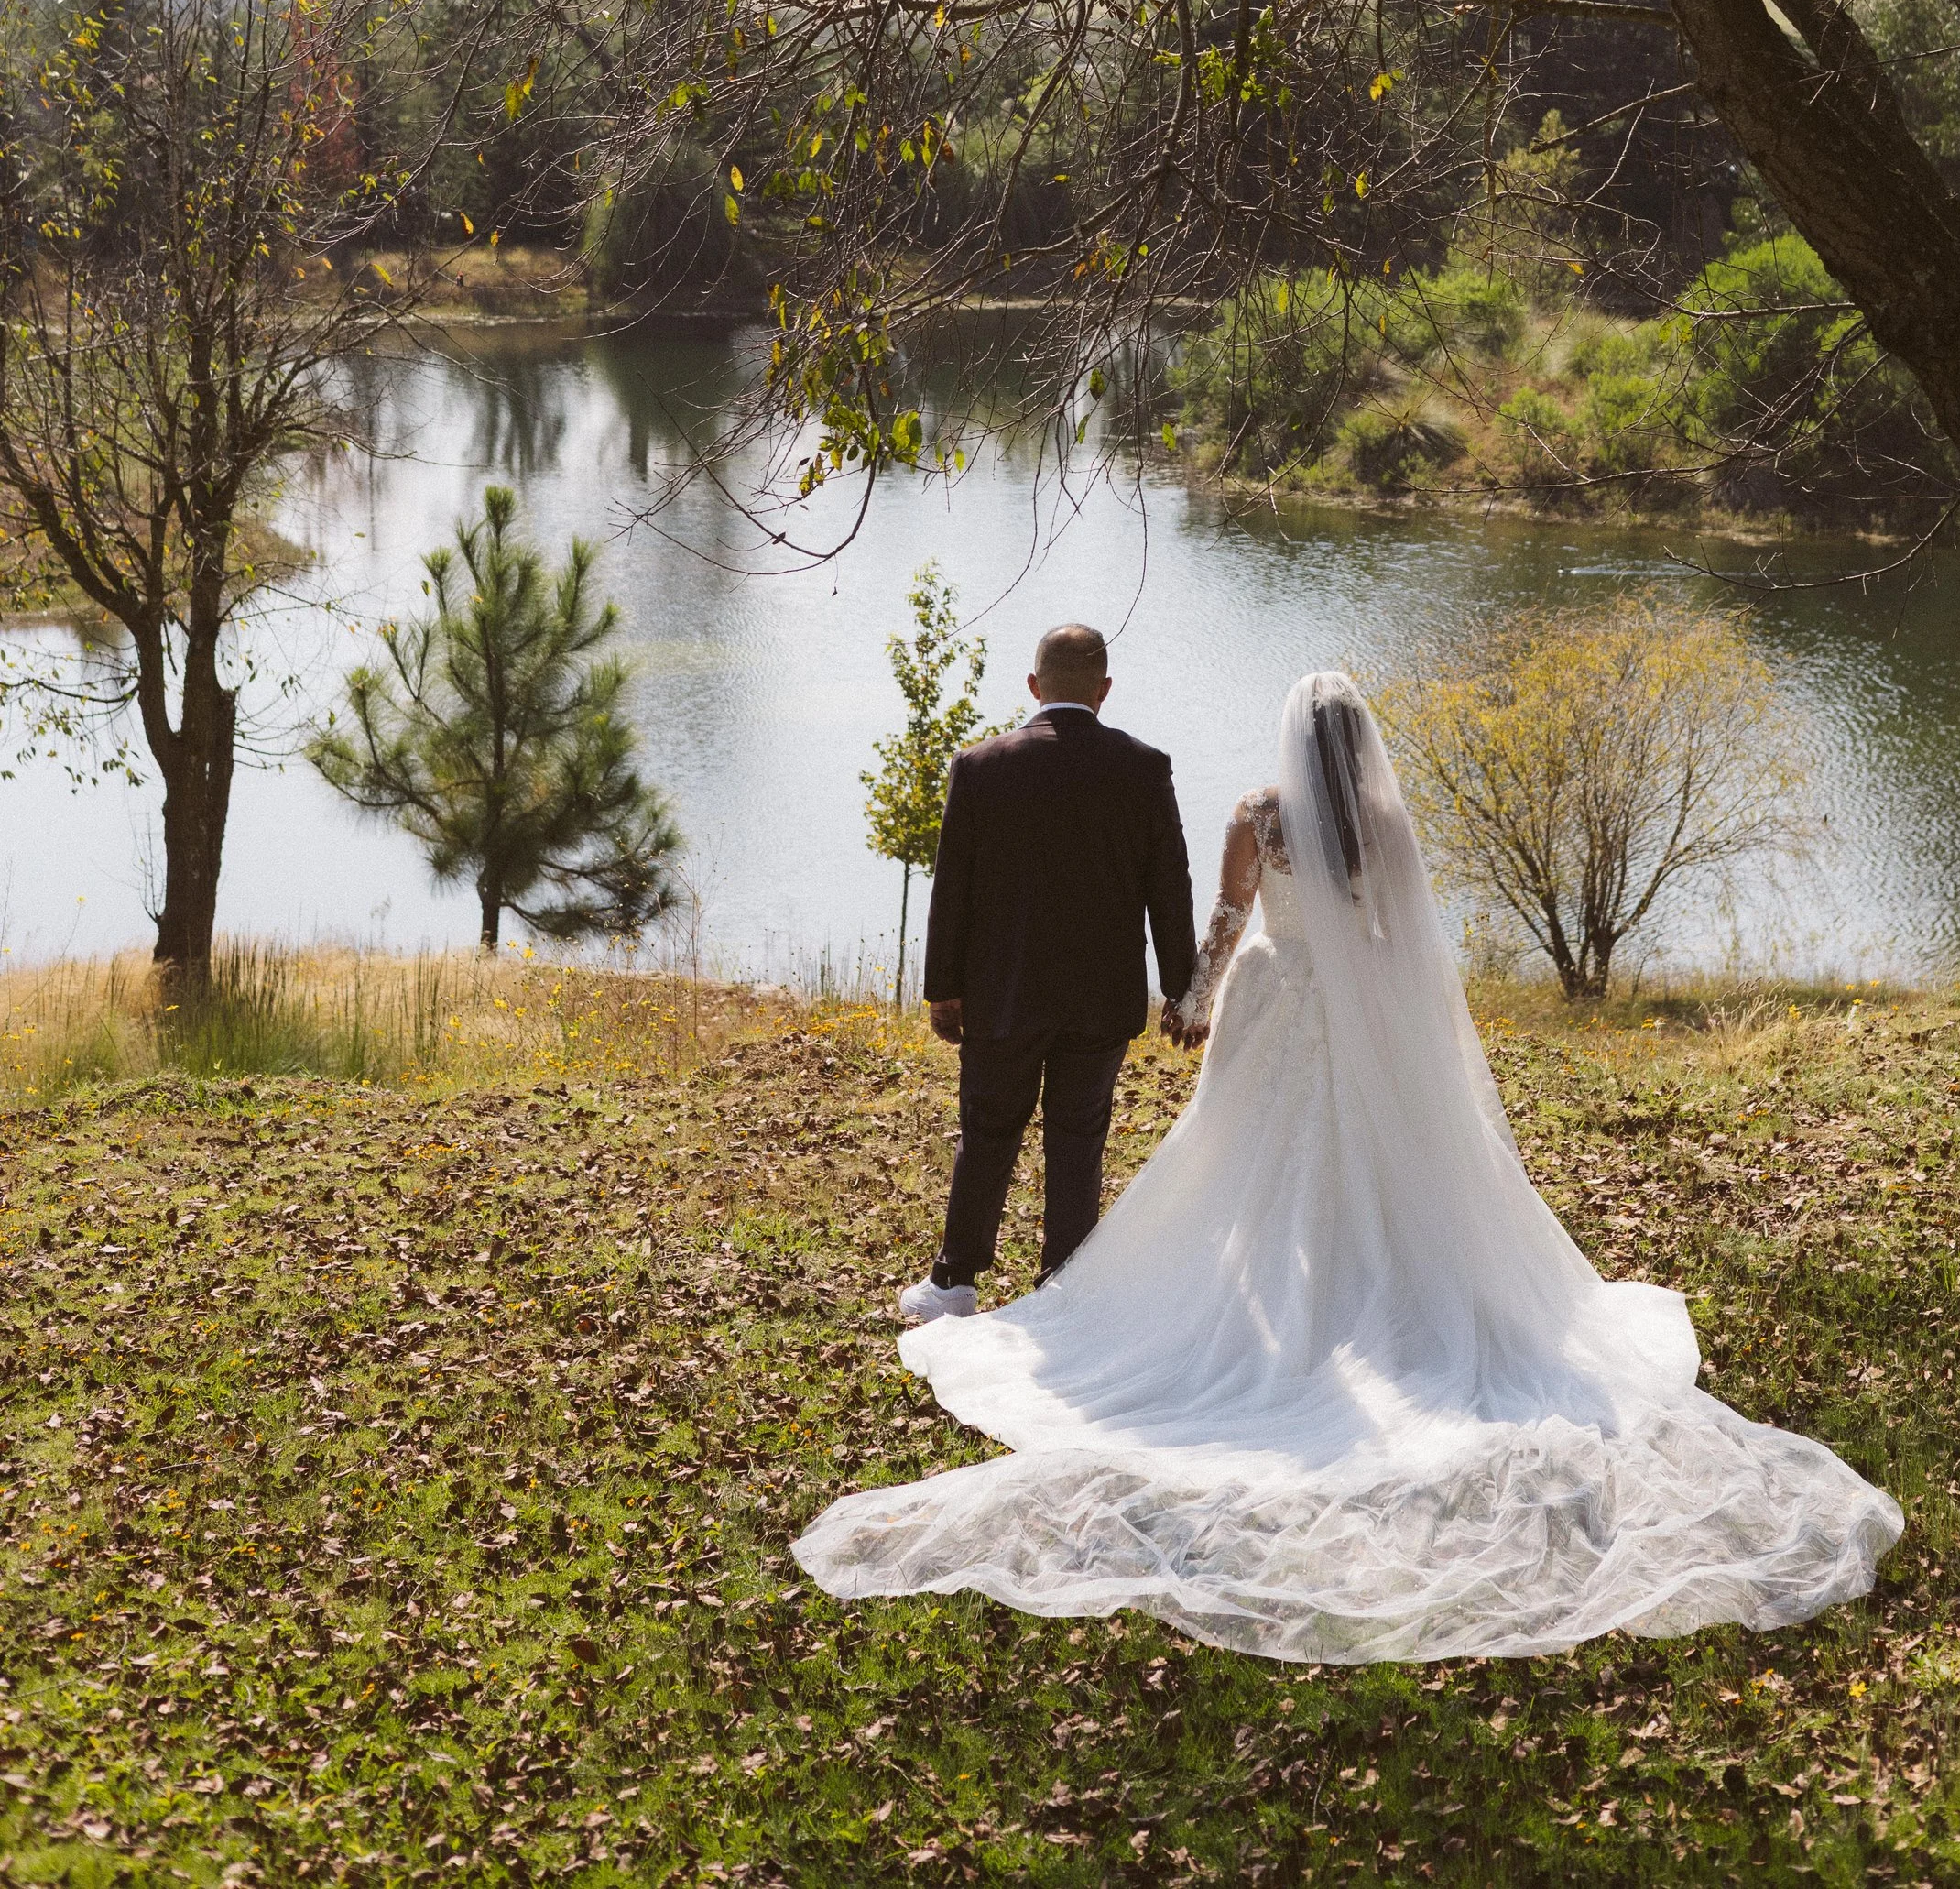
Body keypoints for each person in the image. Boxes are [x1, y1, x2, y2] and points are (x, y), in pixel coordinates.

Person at [799, 668, 1903, 1664]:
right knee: (1363, 1161)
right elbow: (1399, 936)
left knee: (1245, 1166)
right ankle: (1368, 1288)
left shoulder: (1258, 814)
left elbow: (1231, 915)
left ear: (1292, 740)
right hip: (1360, 1012)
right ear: (1358, 743)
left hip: (1275, 1000)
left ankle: (1260, 1301)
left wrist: (1192, 998)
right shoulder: (1382, 820)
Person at [895, 619, 1196, 1326]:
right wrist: (1182, 989)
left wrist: (944, 990)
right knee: (1079, 1139)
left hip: (1003, 993)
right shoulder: (1144, 767)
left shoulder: (981, 765)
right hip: (1101, 997)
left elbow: (953, 888)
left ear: (1034, 685)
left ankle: (955, 1281)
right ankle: (1064, 1285)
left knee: (987, 1131)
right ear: (1104, 690)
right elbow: (1170, 890)